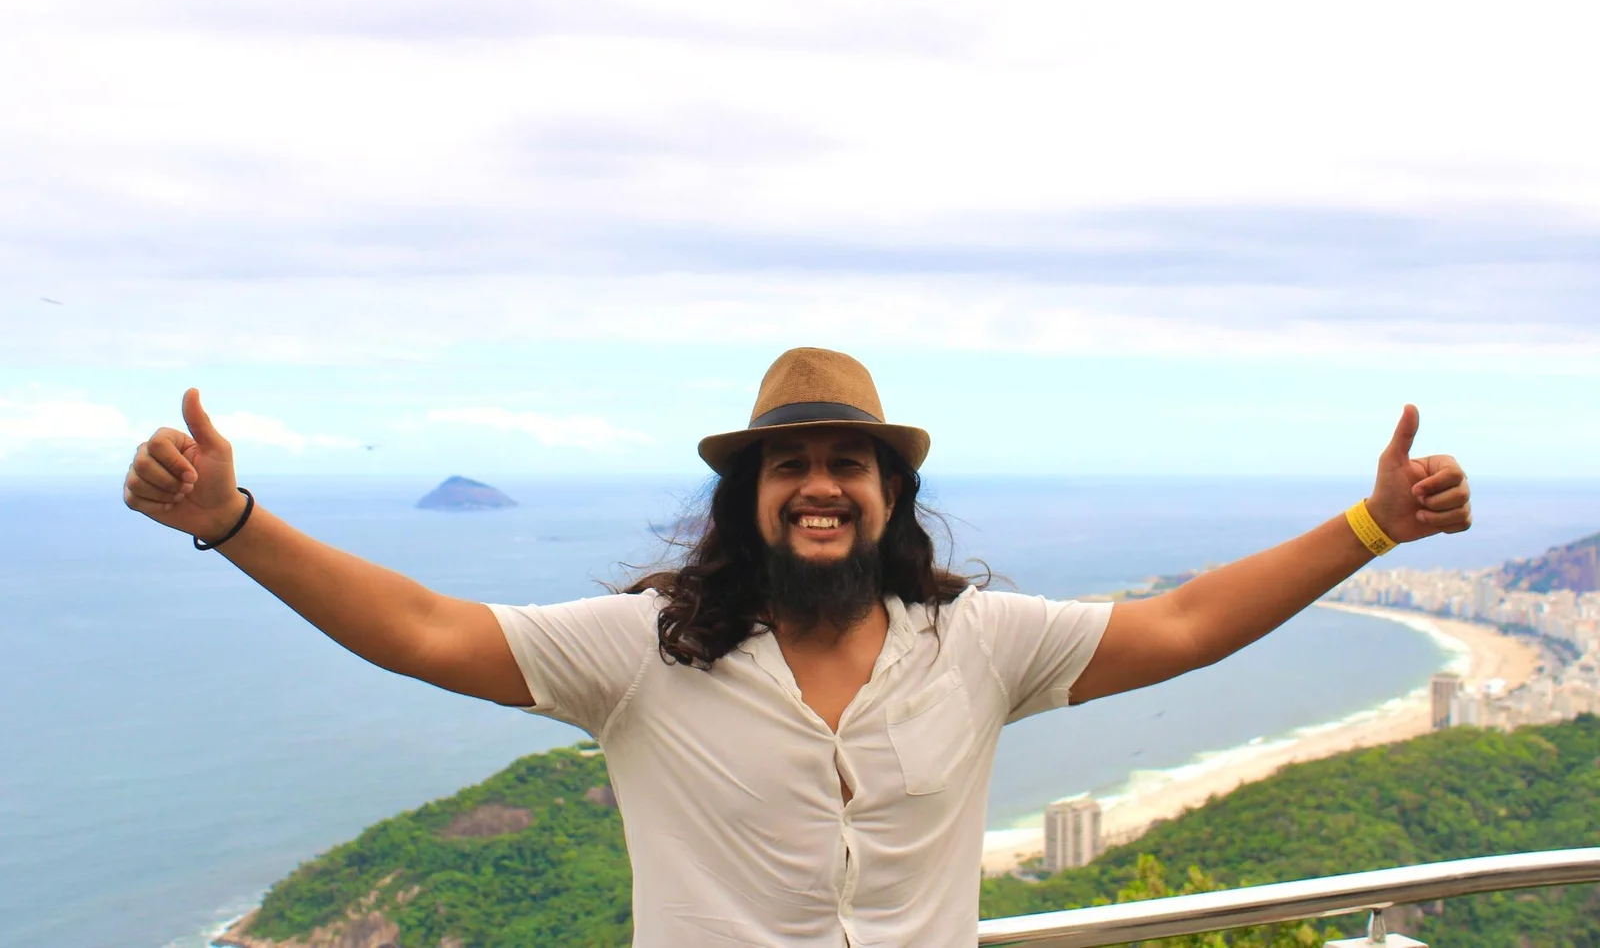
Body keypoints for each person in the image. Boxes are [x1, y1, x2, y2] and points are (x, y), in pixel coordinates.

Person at [123, 347, 1471, 948]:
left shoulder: (978, 642)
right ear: (747, 498)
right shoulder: (643, 653)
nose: (820, 485)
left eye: (848, 463)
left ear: (889, 497)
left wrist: (1368, 524)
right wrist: (230, 519)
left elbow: (1182, 620)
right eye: (791, 466)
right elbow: (423, 628)